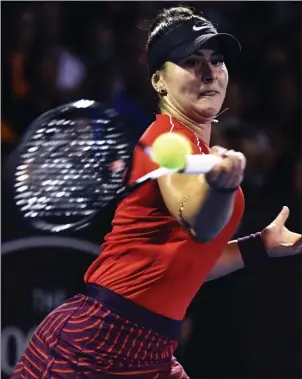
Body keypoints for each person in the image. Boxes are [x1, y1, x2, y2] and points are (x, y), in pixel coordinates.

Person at [12, 6, 301, 379]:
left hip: (153, 351)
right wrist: (219, 187)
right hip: (95, 344)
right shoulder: (167, 140)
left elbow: (188, 262)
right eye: (192, 61)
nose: (210, 71)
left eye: (217, 60)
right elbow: (199, 221)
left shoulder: (197, 150)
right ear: (158, 82)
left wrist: (260, 245)